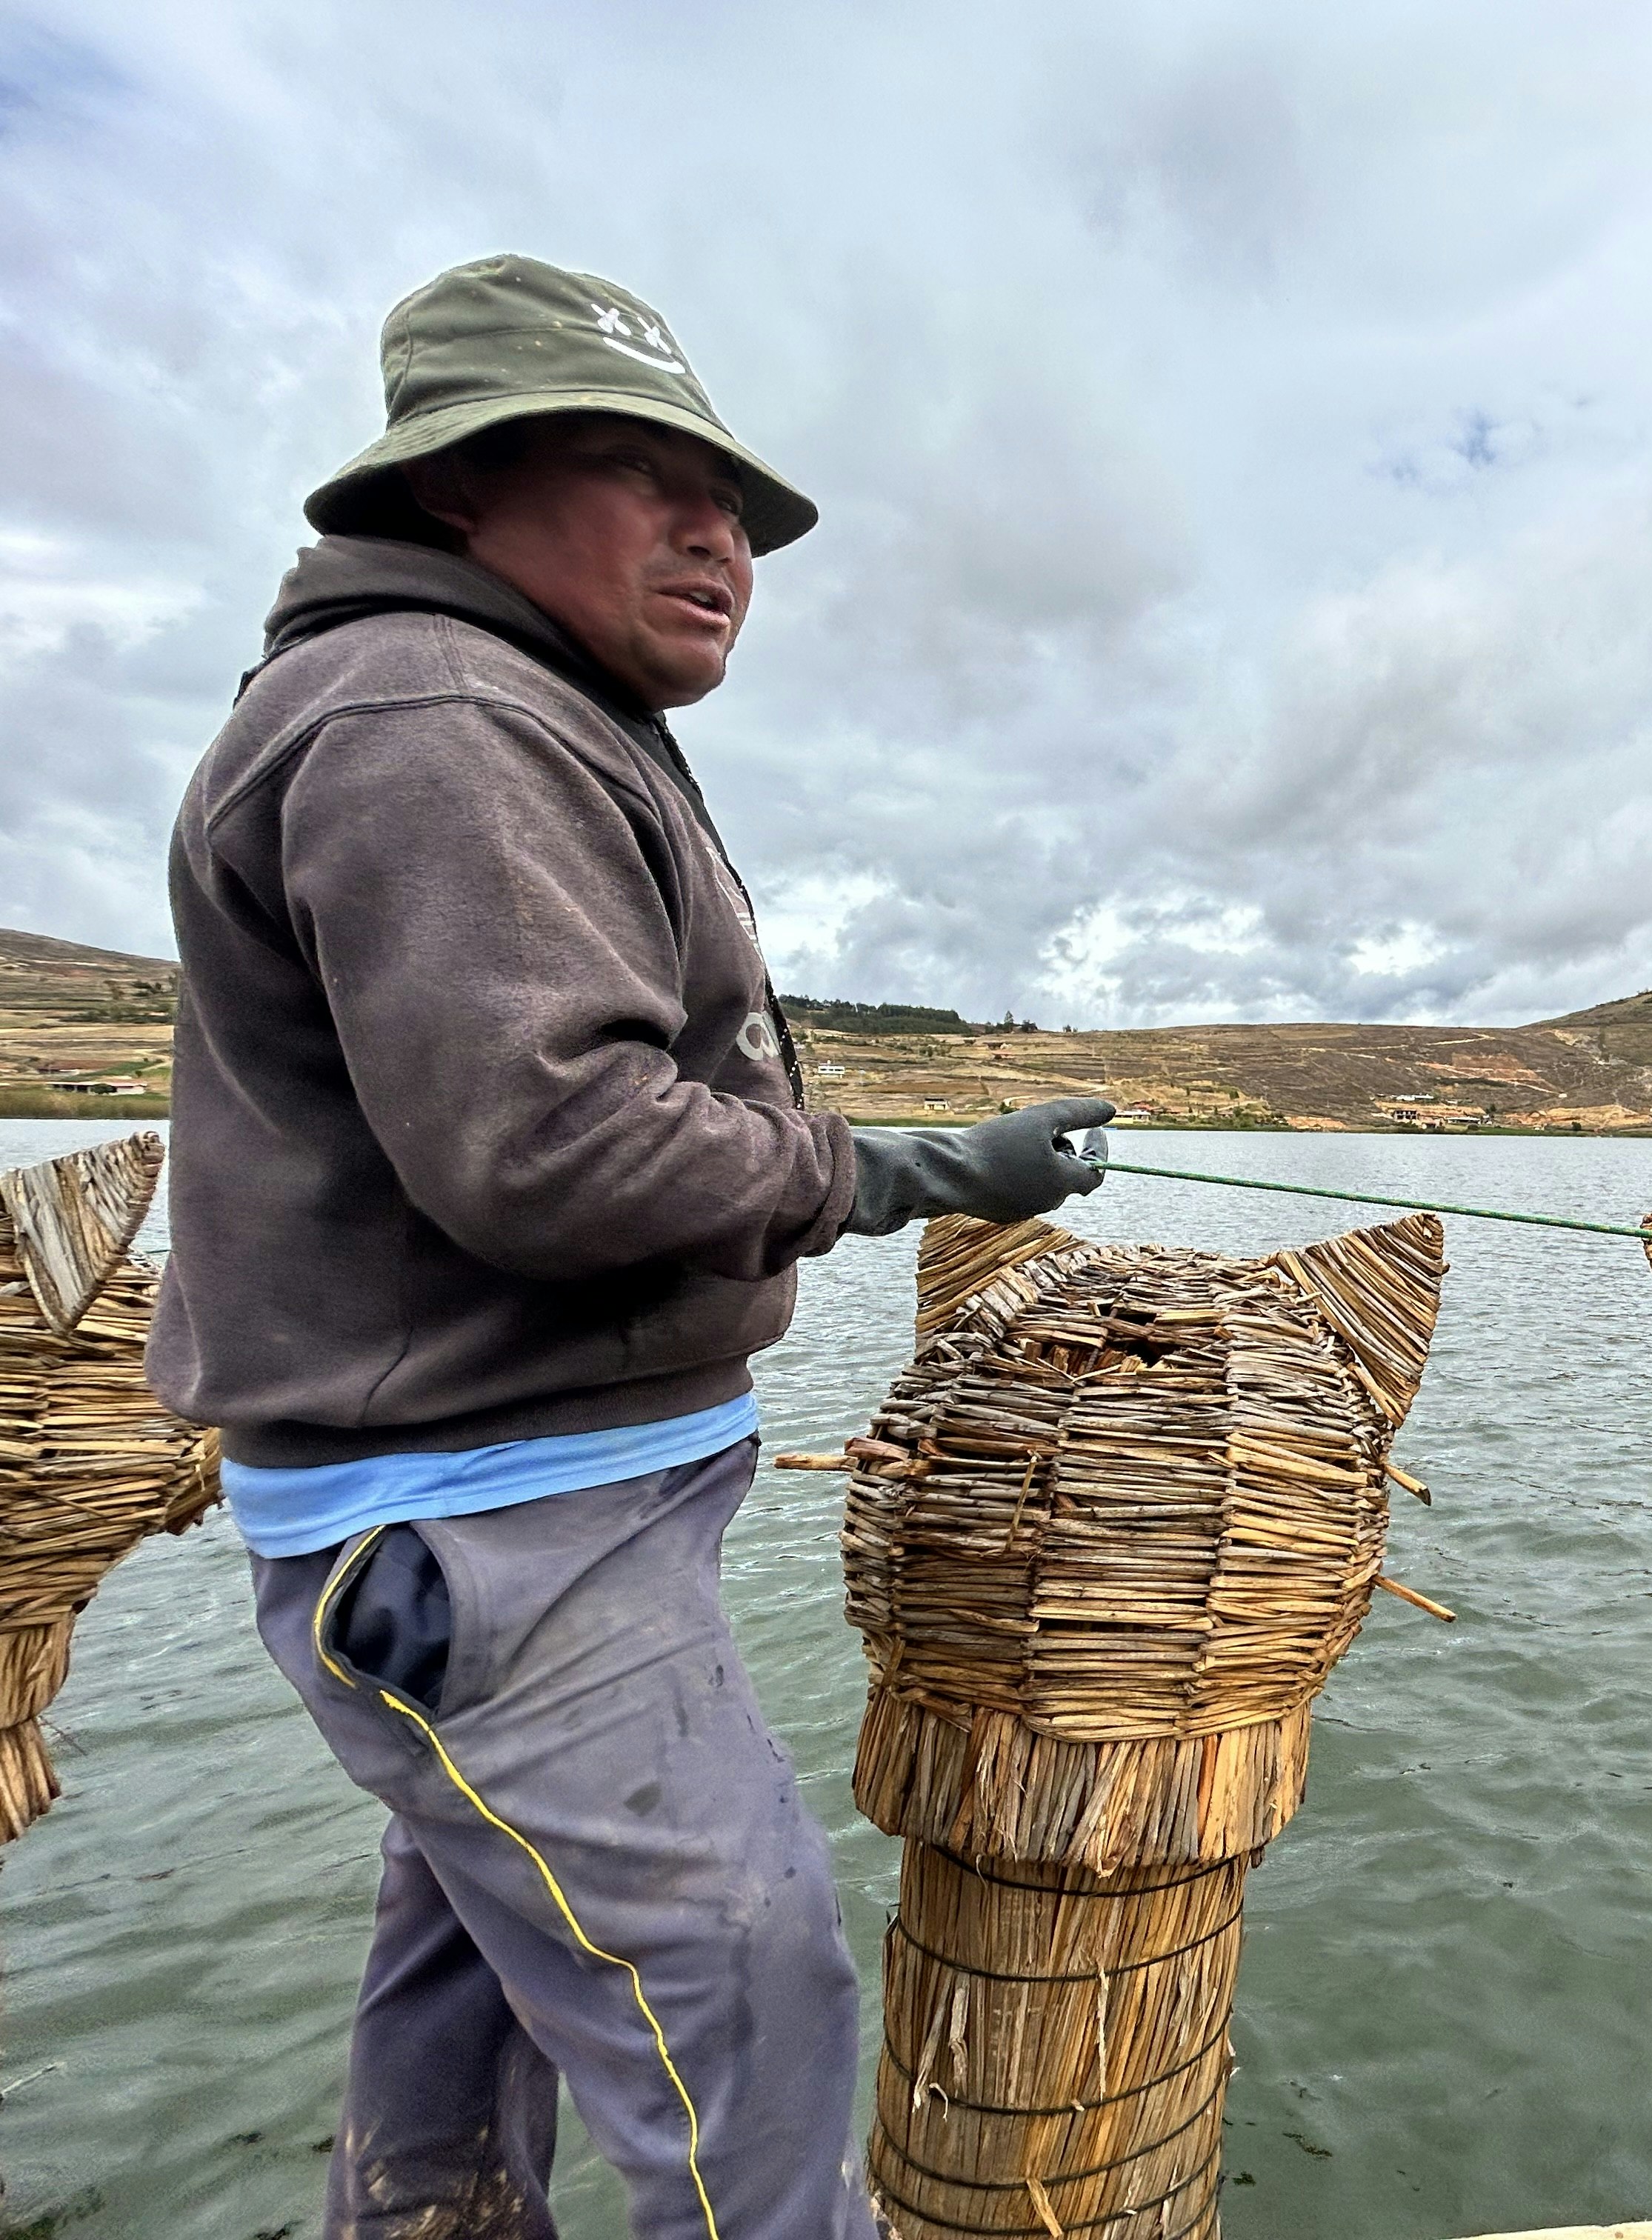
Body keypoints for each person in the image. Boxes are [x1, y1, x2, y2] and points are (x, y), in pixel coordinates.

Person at [150, 253, 1113, 2240]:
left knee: (478, 1962)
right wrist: (922, 1171)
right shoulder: (437, 716)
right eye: (635, 474)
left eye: (738, 509)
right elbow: (552, 1145)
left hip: (489, 1525)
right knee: (746, 2008)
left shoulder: (503, 702)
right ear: (452, 494)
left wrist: (914, 1159)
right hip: (491, 1543)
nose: (719, 538)